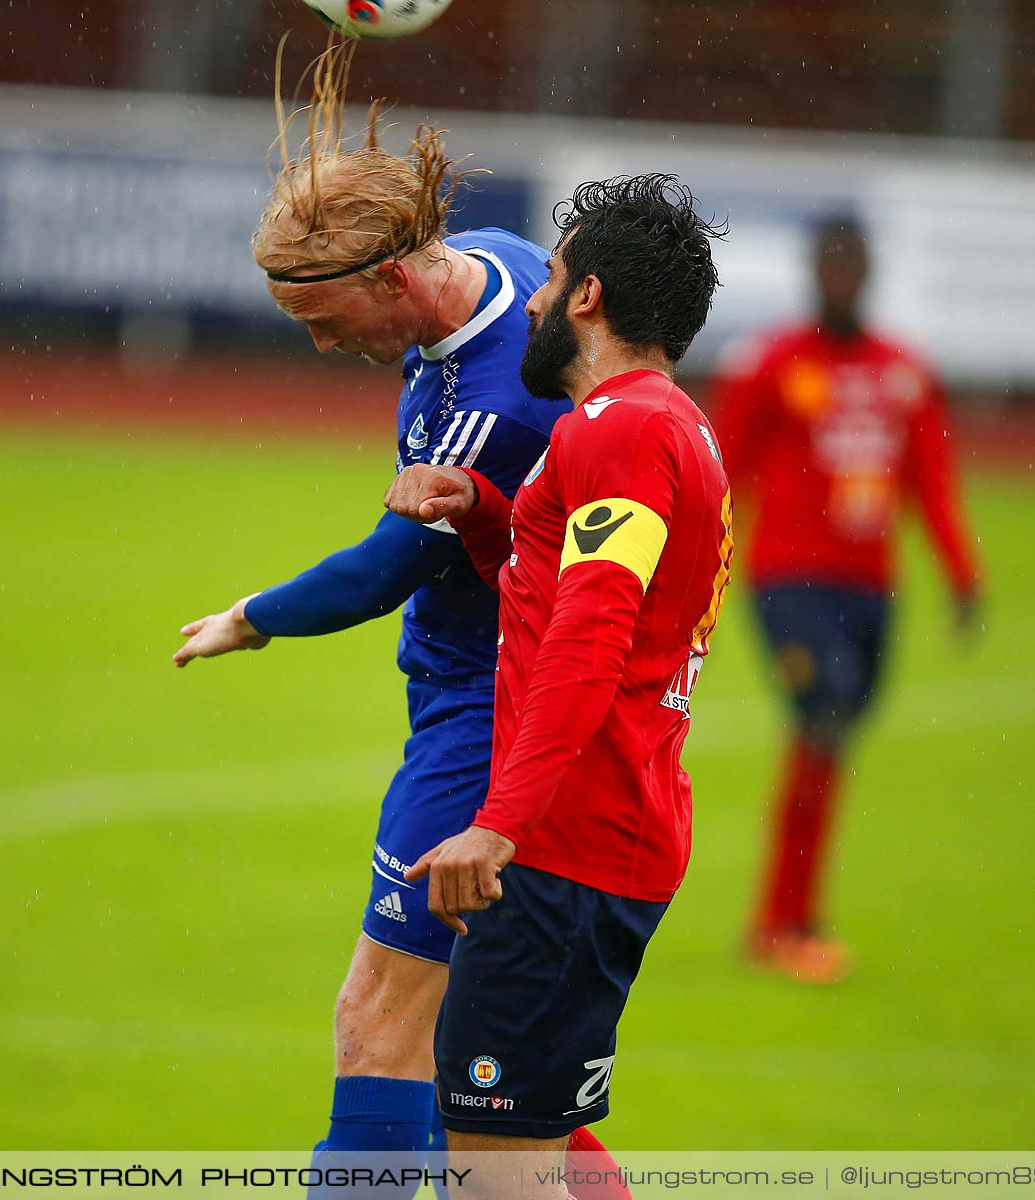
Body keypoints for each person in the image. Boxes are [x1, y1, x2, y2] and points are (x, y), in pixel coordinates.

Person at [169, 43, 633, 1195]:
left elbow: (384, 569)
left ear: (394, 278)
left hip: (485, 712)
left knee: (377, 1022)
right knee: (487, 1068)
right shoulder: (491, 262)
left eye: (328, 322)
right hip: (487, 694)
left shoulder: (493, 399)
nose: (326, 349)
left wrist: (254, 614)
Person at [384, 173, 732, 1197]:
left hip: (568, 847)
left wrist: (502, 824)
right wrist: (488, 512)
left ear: (588, 298)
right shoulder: (653, 424)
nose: (530, 299)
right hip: (607, 836)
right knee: (540, 1139)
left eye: (549, 277)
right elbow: (572, 590)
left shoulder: (619, 431)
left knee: (496, 1169)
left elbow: (591, 637)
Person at [708, 214, 983, 984]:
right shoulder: (768, 363)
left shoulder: (903, 371)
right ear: (811, 271)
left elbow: (930, 480)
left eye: (851, 265)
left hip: (871, 590)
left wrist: (961, 574)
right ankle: (782, 923)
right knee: (822, 717)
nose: (840, 277)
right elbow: (722, 477)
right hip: (789, 583)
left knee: (827, 744)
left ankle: (791, 918)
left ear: (868, 273)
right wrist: (700, 577)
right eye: (829, 264)